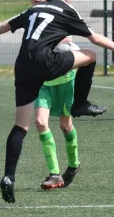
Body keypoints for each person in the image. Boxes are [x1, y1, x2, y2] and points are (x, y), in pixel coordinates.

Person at [0, 0, 114, 203]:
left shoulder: (35, 10)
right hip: (46, 63)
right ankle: (81, 103)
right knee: (91, 56)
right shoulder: (66, 10)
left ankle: (8, 177)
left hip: (23, 66)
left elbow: (8, 25)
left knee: (20, 127)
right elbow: (94, 39)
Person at [25, 0, 106, 117]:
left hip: (59, 62)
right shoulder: (30, 13)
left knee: (66, 122)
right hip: (43, 69)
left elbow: (69, 38)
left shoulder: (63, 10)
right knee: (41, 121)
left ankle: (80, 103)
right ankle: (79, 104)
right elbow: (11, 25)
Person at [35, 41, 81, 190]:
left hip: (66, 83)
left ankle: (74, 165)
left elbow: (73, 41)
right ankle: (54, 174)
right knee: (41, 122)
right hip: (43, 82)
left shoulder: (65, 20)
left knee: (65, 126)